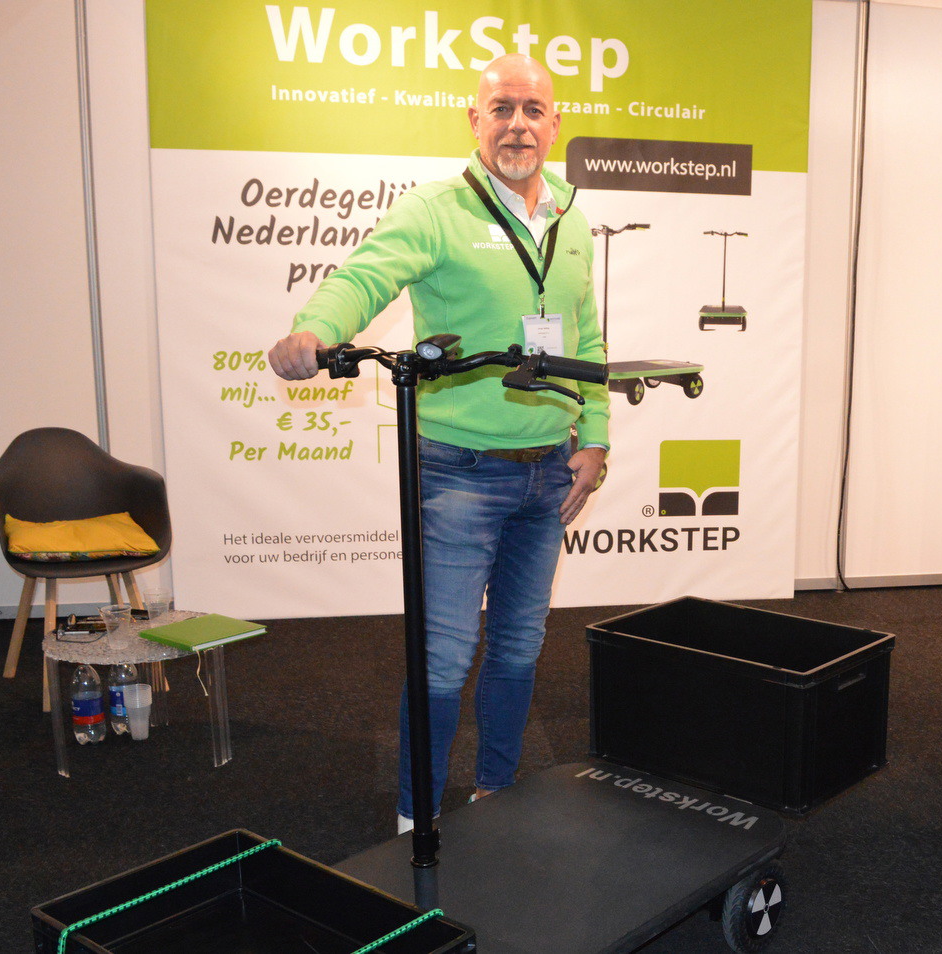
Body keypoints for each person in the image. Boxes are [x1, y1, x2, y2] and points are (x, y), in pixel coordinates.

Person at [269, 54, 609, 833]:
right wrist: (315, 330)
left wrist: (594, 437)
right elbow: (363, 277)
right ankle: (414, 820)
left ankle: (496, 795)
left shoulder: (572, 216)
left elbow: (585, 335)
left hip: (547, 470)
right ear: (475, 120)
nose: (517, 124)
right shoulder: (433, 209)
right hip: (459, 472)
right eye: (502, 109)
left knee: (519, 647)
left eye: (532, 109)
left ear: (555, 123)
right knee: (445, 656)